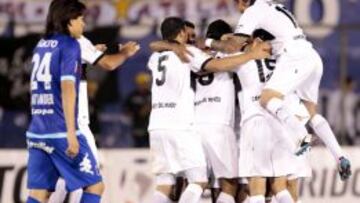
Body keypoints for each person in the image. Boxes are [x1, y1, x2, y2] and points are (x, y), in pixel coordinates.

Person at [204, 0, 351, 180]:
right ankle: (340, 156)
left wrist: (210, 41)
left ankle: (300, 136)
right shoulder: (272, 6)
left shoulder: (253, 10)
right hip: (311, 55)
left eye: (238, 4)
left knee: (266, 98)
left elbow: (234, 45)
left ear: (243, 1)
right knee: (311, 113)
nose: (239, 9)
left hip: (293, 56)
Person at [148, 17, 270, 203]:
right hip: (213, 126)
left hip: (183, 125)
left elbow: (155, 45)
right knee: (226, 184)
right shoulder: (198, 54)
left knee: (170, 181)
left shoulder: (156, 57)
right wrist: (251, 53)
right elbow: (219, 62)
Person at [26, 1, 104, 202]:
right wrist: (72, 133)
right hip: (60, 131)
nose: (83, 24)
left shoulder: (42, 44)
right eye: (80, 19)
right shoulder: (70, 44)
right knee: (95, 185)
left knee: (39, 193)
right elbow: (68, 90)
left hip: (37, 130)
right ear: (69, 21)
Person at [124, 72, 151, 148]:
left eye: (146, 83)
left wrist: (148, 109)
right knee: (138, 149)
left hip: (150, 127)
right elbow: (126, 109)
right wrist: (136, 113)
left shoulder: (152, 95)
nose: (144, 85)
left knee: (150, 148)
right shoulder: (132, 96)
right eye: (142, 83)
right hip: (137, 126)